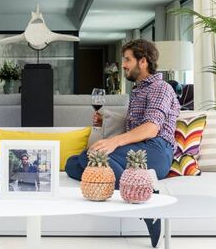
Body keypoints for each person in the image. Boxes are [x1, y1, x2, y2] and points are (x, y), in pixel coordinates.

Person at [65, 39, 180, 248]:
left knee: (93, 158)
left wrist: (113, 142)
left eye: (127, 59)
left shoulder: (160, 88)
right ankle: (138, 187)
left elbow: (151, 128)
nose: (123, 65)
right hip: (137, 150)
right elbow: (134, 125)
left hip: (156, 151)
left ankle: (149, 209)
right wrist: (106, 119)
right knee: (73, 163)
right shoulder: (138, 90)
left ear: (143, 61)